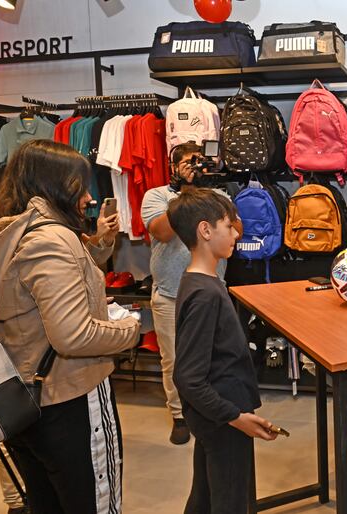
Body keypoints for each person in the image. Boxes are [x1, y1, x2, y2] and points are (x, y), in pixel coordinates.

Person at [0, 139, 140, 514]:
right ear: (54, 184)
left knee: (45, 500)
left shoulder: (8, 234)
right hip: (71, 394)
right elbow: (73, 335)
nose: (88, 197)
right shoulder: (53, 239)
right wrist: (129, 329)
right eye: (78, 184)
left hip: (24, 401)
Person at [167, 188, 277, 514]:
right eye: (229, 225)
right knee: (230, 500)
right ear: (205, 230)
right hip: (223, 417)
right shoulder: (205, 294)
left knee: (205, 494)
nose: (235, 232)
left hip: (218, 415)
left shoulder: (201, 282)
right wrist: (235, 417)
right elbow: (188, 377)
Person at [141, 142, 239, 445]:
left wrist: (207, 192)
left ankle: (212, 409)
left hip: (211, 291)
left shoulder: (217, 196)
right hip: (170, 293)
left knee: (213, 356)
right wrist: (184, 195)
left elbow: (239, 229)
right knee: (173, 360)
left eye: (198, 161)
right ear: (173, 167)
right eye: (186, 162)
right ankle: (179, 414)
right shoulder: (157, 195)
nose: (193, 167)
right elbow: (161, 231)